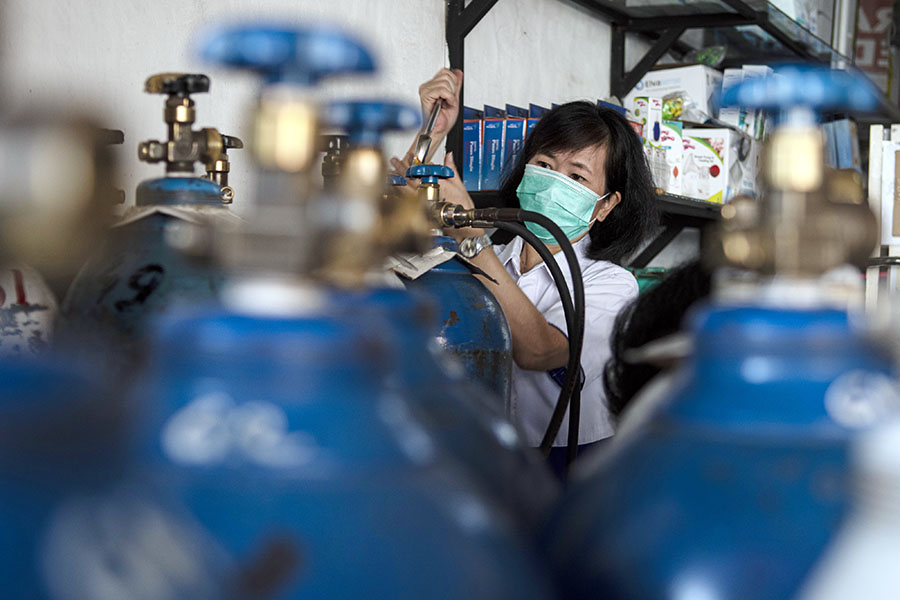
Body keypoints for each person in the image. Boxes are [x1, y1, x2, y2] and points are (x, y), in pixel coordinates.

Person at [392, 69, 658, 472]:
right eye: (544, 164)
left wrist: (473, 239)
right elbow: (403, 215)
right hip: (486, 453)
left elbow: (539, 350)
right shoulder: (489, 257)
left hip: (566, 462)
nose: (552, 183)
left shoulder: (611, 284)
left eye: (577, 176)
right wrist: (433, 130)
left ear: (606, 205)